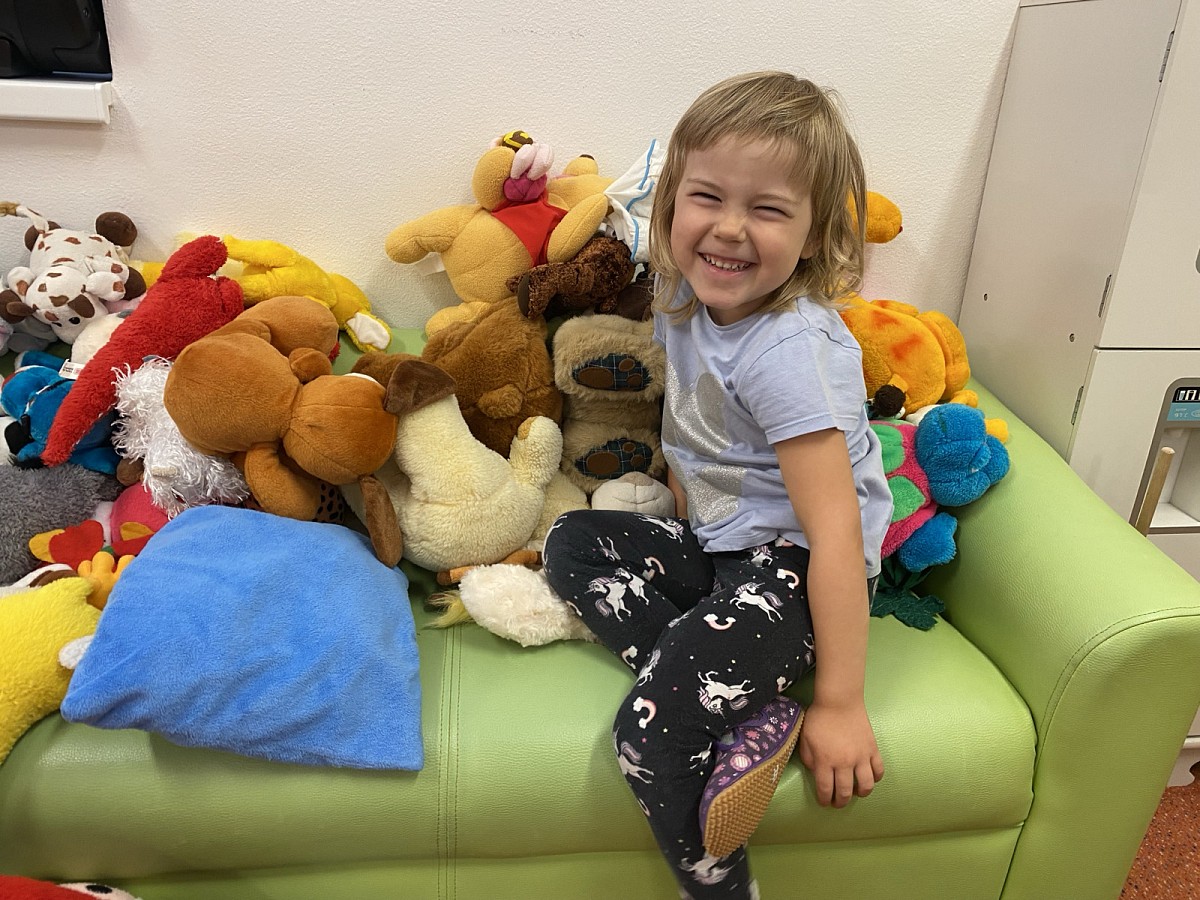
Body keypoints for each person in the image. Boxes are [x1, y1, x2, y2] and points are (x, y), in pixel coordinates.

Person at [542, 70, 893, 900]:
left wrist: (840, 703)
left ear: (813, 234)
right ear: (671, 206)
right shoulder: (684, 294)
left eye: (767, 209)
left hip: (795, 571)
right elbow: (694, 431)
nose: (729, 228)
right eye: (707, 197)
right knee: (570, 541)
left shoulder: (788, 355)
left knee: (647, 735)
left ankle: (723, 890)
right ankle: (745, 704)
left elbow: (836, 534)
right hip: (722, 549)